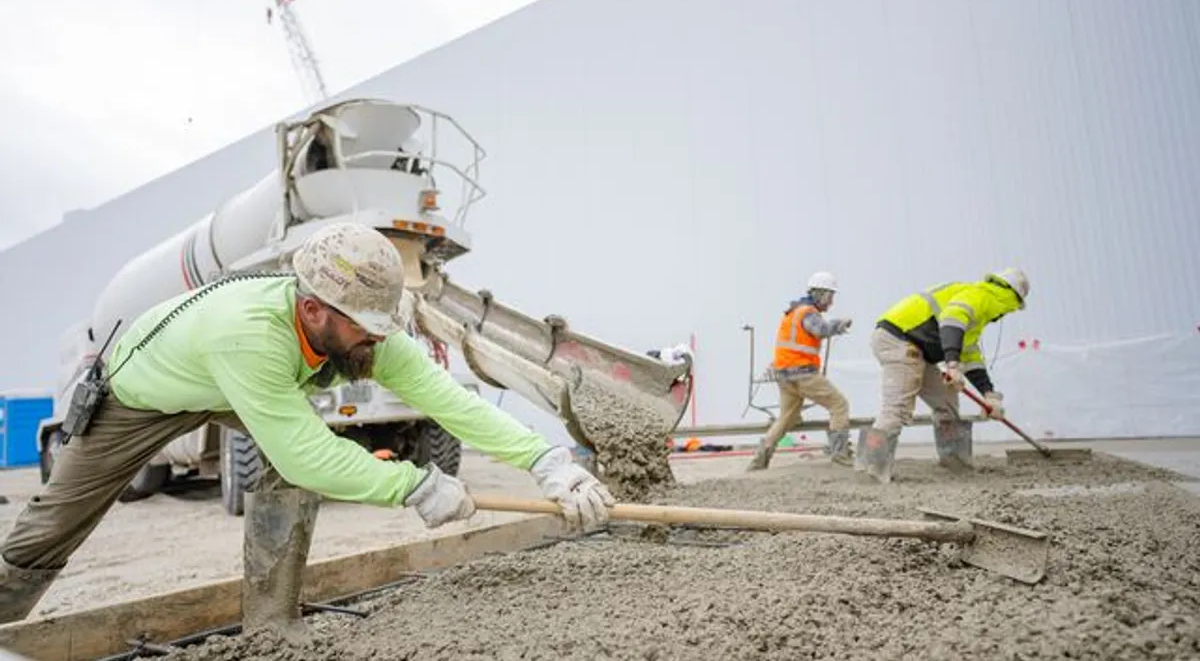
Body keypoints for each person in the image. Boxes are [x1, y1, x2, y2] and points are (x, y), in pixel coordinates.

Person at [0, 221, 615, 624]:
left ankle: (270, 623)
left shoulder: (366, 328)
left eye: (383, 326)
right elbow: (307, 454)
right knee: (55, 522)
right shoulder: (251, 335)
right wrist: (414, 484)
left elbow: (450, 400)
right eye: (364, 329)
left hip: (227, 380)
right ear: (313, 309)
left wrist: (549, 463)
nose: (377, 341)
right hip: (142, 390)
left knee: (289, 460)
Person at [857, 268, 1030, 483]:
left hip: (917, 350)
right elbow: (951, 321)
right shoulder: (980, 296)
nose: (1005, 315)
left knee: (946, 400)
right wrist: (952, 364)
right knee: (897, 408)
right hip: (899, 339)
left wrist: (989, 394)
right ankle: (871, 470)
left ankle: (954, 461)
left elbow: (970, 355)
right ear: (1010, 299)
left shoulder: (976, 311)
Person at [747, 271, 853, 471]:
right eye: (830, 297)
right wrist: (840, 324)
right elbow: (820, 330)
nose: (830, 303)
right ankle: (840, 455)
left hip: (784, 374)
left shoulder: (794, 312)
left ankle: (759, 460)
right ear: (820, 293)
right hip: (803, 373)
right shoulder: (808, 313)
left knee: (787, 417)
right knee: (839, 405)